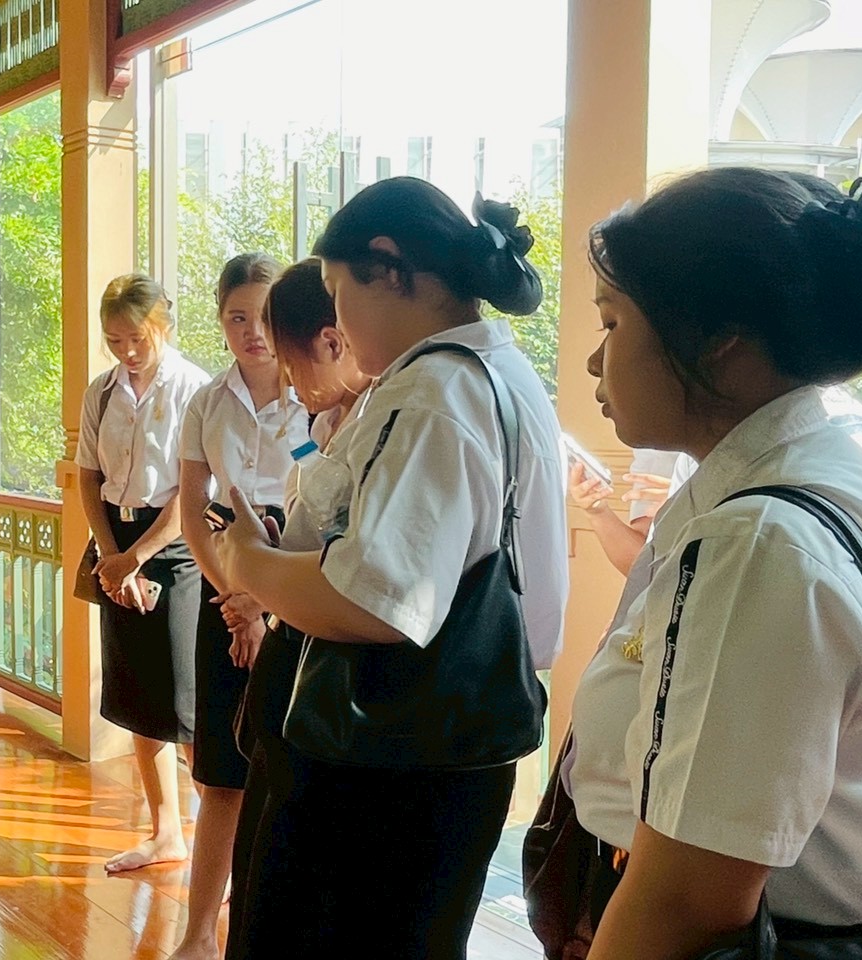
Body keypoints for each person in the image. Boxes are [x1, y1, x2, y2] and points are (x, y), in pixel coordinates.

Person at [561, 168, 862, 960]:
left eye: (613, 322)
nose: (593, 362)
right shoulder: (833, 445)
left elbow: (690, 901)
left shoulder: (758, 542)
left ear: (718, 337)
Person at [213, 178, 564, 957]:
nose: (336, 321)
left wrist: (249, 563)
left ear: (389, 267)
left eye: (339, 293)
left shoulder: (436, 391)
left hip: (384, 753)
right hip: (441, 743)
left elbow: (370, 601)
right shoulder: (493, 374)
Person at [222, 257, 370, 960]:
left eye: (289, 360)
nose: (286, 377)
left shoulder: (392, 418)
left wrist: (255, 575)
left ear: (333, 342)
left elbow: (348, 565)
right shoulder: (330, 419)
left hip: (332, 681)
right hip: (296, 645)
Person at [170, 252, 304, 960]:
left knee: (284, 774)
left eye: (264, 316)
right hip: (222, 581)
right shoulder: (205, 401)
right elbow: (193, 514)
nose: (252, 332)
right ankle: (196, 935)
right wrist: (234, 598)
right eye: (236, 318)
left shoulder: (315, 396)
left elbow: (318, 511)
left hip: (298, 586)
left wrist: (261, 605)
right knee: (221, 773)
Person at [75, 274, 211, 873]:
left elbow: (195, 491)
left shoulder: (194, 390)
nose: (126, 351)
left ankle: (222, 848)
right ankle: (166, 833)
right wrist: (112, 557)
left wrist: (136, 558)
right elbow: (88, 476)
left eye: (137, 338)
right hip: (115, 542)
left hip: (176, 547)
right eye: (114, 340)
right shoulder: (101, 392)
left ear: (163, 326)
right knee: (136, 696)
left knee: (186, 703)